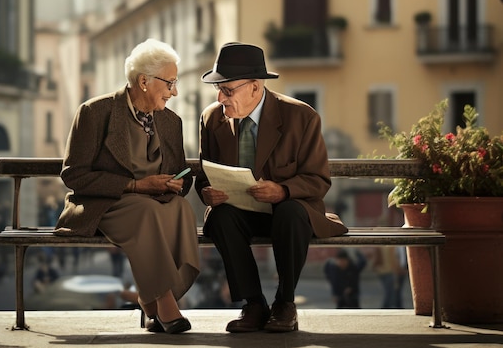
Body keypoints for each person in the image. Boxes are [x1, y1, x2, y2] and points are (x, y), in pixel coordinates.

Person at [195, 42, 348, 333]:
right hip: (241, 212)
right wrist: (207, 192)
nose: (221, 98)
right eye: (218, 90)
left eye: (228, 90)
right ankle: (254, 304)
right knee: (220, 217)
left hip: (290, 210)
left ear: (254, 87)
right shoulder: (211, 118)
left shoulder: (302, 117)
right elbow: (205, 174)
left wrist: (282, 190)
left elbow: (318, 180)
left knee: (290, 212)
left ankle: (285, 303)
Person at [54, 38, 200, 334]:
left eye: (176, 83)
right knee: (145, 211)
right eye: (170, 83)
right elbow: (74, 175)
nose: (175, 91)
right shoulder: (95, 113)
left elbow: (182, 179)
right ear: (144, 81)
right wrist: (134, 185)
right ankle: (165, 305)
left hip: (155, 202)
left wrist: (174, 184)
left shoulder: (171, 122)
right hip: (107, 203)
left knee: (181, 208)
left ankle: (149, 299)